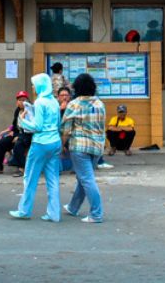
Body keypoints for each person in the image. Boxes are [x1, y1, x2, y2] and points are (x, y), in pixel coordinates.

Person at [9, 73, 62, 221]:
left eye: (34, 84)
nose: (33, 87)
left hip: (40, 143)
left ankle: (24, 210)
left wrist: (22, 120)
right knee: (53, 179)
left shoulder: (40, 102)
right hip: (55, 142)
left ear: (40, 86)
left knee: (30, 177)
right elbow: (58, 124)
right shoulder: (54, 101)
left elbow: (37, 127)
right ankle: (54, 213)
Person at [62, 73, 106, 223]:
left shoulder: (74, 104)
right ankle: (73, 207)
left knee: (87, 179)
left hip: (80, 147)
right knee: (84, 178)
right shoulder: (100, 104)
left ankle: (96, 214)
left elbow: (66, 130)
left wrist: (62, 145)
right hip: (97, 147)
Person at [0, 91, 29, 174]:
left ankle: (22, 168)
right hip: (17, 134)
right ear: (17, 102)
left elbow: (30, 128)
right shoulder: (17, 111)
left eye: (24, 100)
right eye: (20, 100)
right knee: (0, 143)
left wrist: (19, 136)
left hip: (27, 136)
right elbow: (14, 125)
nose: (22, 102)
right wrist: (11, 132)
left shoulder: (29, 112)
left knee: (18, 144)